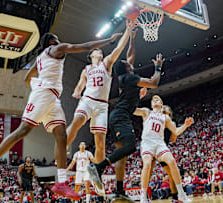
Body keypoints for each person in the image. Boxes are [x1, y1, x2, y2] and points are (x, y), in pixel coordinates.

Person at [0, 31, 123, 200]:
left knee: (61, 135)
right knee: (23, 130)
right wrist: (110, 40)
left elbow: (27, 78)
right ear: (51, 41)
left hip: (53, 98)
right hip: (44, 94)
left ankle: (61, 183)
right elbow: (86, 46)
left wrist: (35, 83)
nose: (60, 40)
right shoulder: (57, 48)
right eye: (57, 39)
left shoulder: (40, 58)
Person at [87, 27, 165, 201]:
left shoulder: (125, 76)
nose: (131, 62)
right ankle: (98, 167)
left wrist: (131, 39)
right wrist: (158, 68)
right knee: (130, 146)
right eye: (129, 63)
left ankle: (119, 190)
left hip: (118, 116)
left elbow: (130, 56)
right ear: (127, 69)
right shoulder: (130, 78)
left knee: (122, 156)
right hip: (121, 116)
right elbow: (153, 83)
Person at [66, 21, 133, 165]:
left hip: (102, 106)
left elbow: (119, 48)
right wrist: (76, 92)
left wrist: (128, 31)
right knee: (76, 122)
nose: (100, 51)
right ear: (91, 55)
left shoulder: (106, 63)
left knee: (100, 142)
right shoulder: (86, 69)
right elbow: (79, 86)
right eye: (97, 50)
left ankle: (97, 170)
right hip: (88, 100)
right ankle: (63, 145)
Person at [134, 95, 194, 202]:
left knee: (172, 161)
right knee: (147, 165)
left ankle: (181, 194)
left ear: (161, 104)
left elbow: (175, 132)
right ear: (151, 104)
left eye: (157, 99)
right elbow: (132, 110)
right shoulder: (147, 112)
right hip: (148, 143)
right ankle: (143, 197)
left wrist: (185, 125)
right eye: (153, 100)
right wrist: (137, 97)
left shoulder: (165, 118)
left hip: (160, 144)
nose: (155, 100)